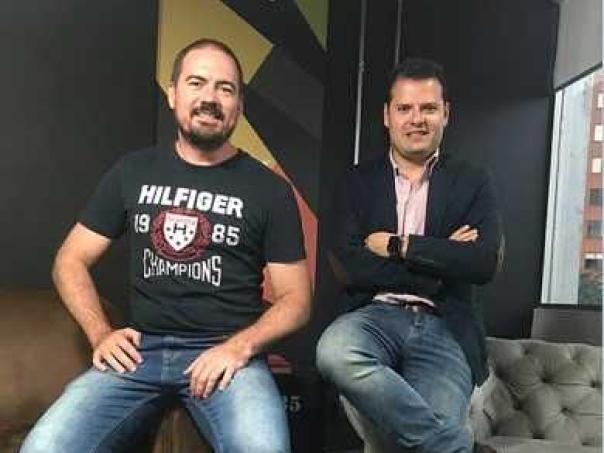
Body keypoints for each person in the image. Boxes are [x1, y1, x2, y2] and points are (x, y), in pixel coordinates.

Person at [21, 38, 312, 453]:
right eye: (197, 83)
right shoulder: (132, 171)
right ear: (173, 94)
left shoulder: (269, 190)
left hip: (227, 356)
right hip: (140, 352)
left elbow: (297, 299)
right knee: (44, 447)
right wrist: (100, 333)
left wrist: (238, 348)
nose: (210, 98)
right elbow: (69, 260)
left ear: (239, 105)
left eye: (225, 88)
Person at [316, 58, 502, 453]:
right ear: (387, 116)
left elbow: (482, 262)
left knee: (416, 441)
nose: (416, 119)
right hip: (373, 317)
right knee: (334, 352)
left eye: (428, 108)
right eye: (405, 108)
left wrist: (400, 246)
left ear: (445, 113)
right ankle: (459, 447)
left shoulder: (472, 181)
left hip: (445, 325)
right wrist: (442, 260)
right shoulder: (356, 182)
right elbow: (350, 265)